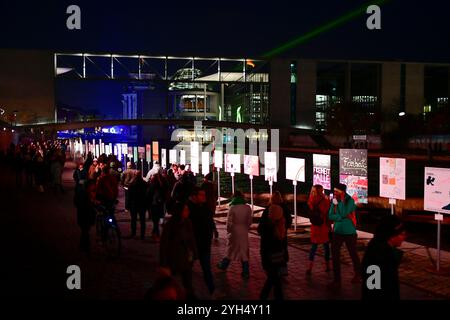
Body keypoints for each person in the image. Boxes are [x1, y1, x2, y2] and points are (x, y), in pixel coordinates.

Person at [361, 215, 406, 300]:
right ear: (391, 236)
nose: (404, 237)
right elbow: (373, 288)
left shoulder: (381, 248)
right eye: (402, 234)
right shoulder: (378, 255)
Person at [160, 202, 198, 300]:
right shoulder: (170, 225)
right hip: (174, 259)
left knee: (188, 283)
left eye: (187, 209)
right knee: (170, 285)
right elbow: (164, 245)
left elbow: (191, 239)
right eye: (185, 210)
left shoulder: (187, 222)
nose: (188, 212)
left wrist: (194, 254)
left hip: (186, 258)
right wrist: (163, 264)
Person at [328, 183, 361, 289]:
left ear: (342, 192)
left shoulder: (350, 201)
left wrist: (341, 204)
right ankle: (337, 280)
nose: (334, 193)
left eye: (336, 191)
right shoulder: (334, 200)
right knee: (335, 255)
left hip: (349, 232)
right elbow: (330, 215)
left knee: (353, 254)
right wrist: (340, 218)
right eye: (334, 191)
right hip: (337, 231)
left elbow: (343, 212)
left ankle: (358, 274)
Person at [217, 191, 252, 279]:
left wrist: (229, 231)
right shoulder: (247, 207)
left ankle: (223, 265)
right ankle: (246, 271)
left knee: (231, 249)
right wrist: (246, 228)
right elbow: (249, 221)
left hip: (234, 230)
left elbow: (229, 222)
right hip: (243, 230)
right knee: (244, 250)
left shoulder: (232, 208)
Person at [187, 187, 216, 295]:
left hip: (204, 245)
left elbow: (210, 221)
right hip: (192, 245)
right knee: (187, 270)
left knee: (207, 270)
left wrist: (213, 231)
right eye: (201, 195)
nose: (204, 197)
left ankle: (212, 290)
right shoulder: (188, 208)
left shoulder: (205, 207)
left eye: (204, 195)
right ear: (194, 196)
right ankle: (188, 292)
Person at [258, 192, 286, 300]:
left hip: (267, 256)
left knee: (273, 279)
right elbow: (279, 244)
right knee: (274, 279)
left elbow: (260, 230)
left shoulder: (267, 225)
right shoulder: (277, 229)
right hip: (275, 257)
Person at [306, 185, 331, 274]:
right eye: (322, 190)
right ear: (321, 191)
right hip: (323, 226)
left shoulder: (311, 199)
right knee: (326, 246)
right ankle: (327, 265)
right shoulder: (325, 200)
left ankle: (310, 267)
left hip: (315, 226)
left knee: (314, 247)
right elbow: (327, 211)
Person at [73, 162, 96, 254]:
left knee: (84, 231)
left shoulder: (82, 194)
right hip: (85, 215)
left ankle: (83, 245)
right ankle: (86, 247)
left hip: (83, 215)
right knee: (85, 231)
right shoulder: (84, 194)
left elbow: (76, 202)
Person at [127, 171, 148, 240]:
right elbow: (147, 195)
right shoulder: (144, 184)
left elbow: (129, 196)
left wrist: (127, 205)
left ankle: (133, 233)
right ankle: (142, 235)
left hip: (134, 204)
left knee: (133, 220)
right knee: (142, 220)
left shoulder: (131, 184)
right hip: (142, 204)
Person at [148, 172, 169, 241]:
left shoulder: (153, 185)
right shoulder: (164, 184)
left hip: (154, 204)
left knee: (155, 221)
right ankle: (155, 233)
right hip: (161, 203)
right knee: (159, 218)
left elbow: (149, 194)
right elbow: (167, 192)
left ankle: (157, 235)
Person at [201, 172, 219, 239]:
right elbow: (216, 196)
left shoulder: (205, 185)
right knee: (210, 218)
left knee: (208, 218)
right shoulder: (214, 185)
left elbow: (201, 192)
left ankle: (211, 232)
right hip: (212, 203)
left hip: (206, 203)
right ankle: (214, 231)